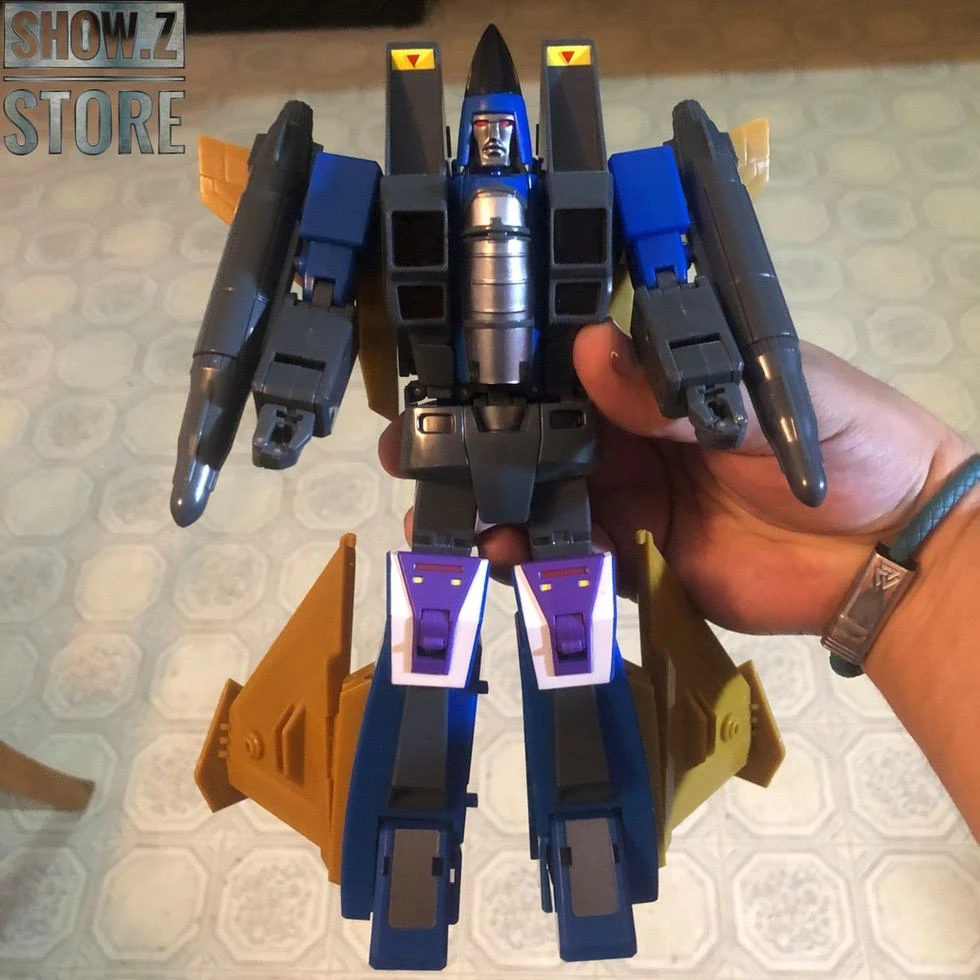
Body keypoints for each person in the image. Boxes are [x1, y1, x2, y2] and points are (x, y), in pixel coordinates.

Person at [378, 320, 980, 840]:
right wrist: (930, 523)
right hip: (480, 423)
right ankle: (437, 806)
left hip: (548, 427)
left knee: (554, 602)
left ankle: (587, 819)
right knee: (451, 597)